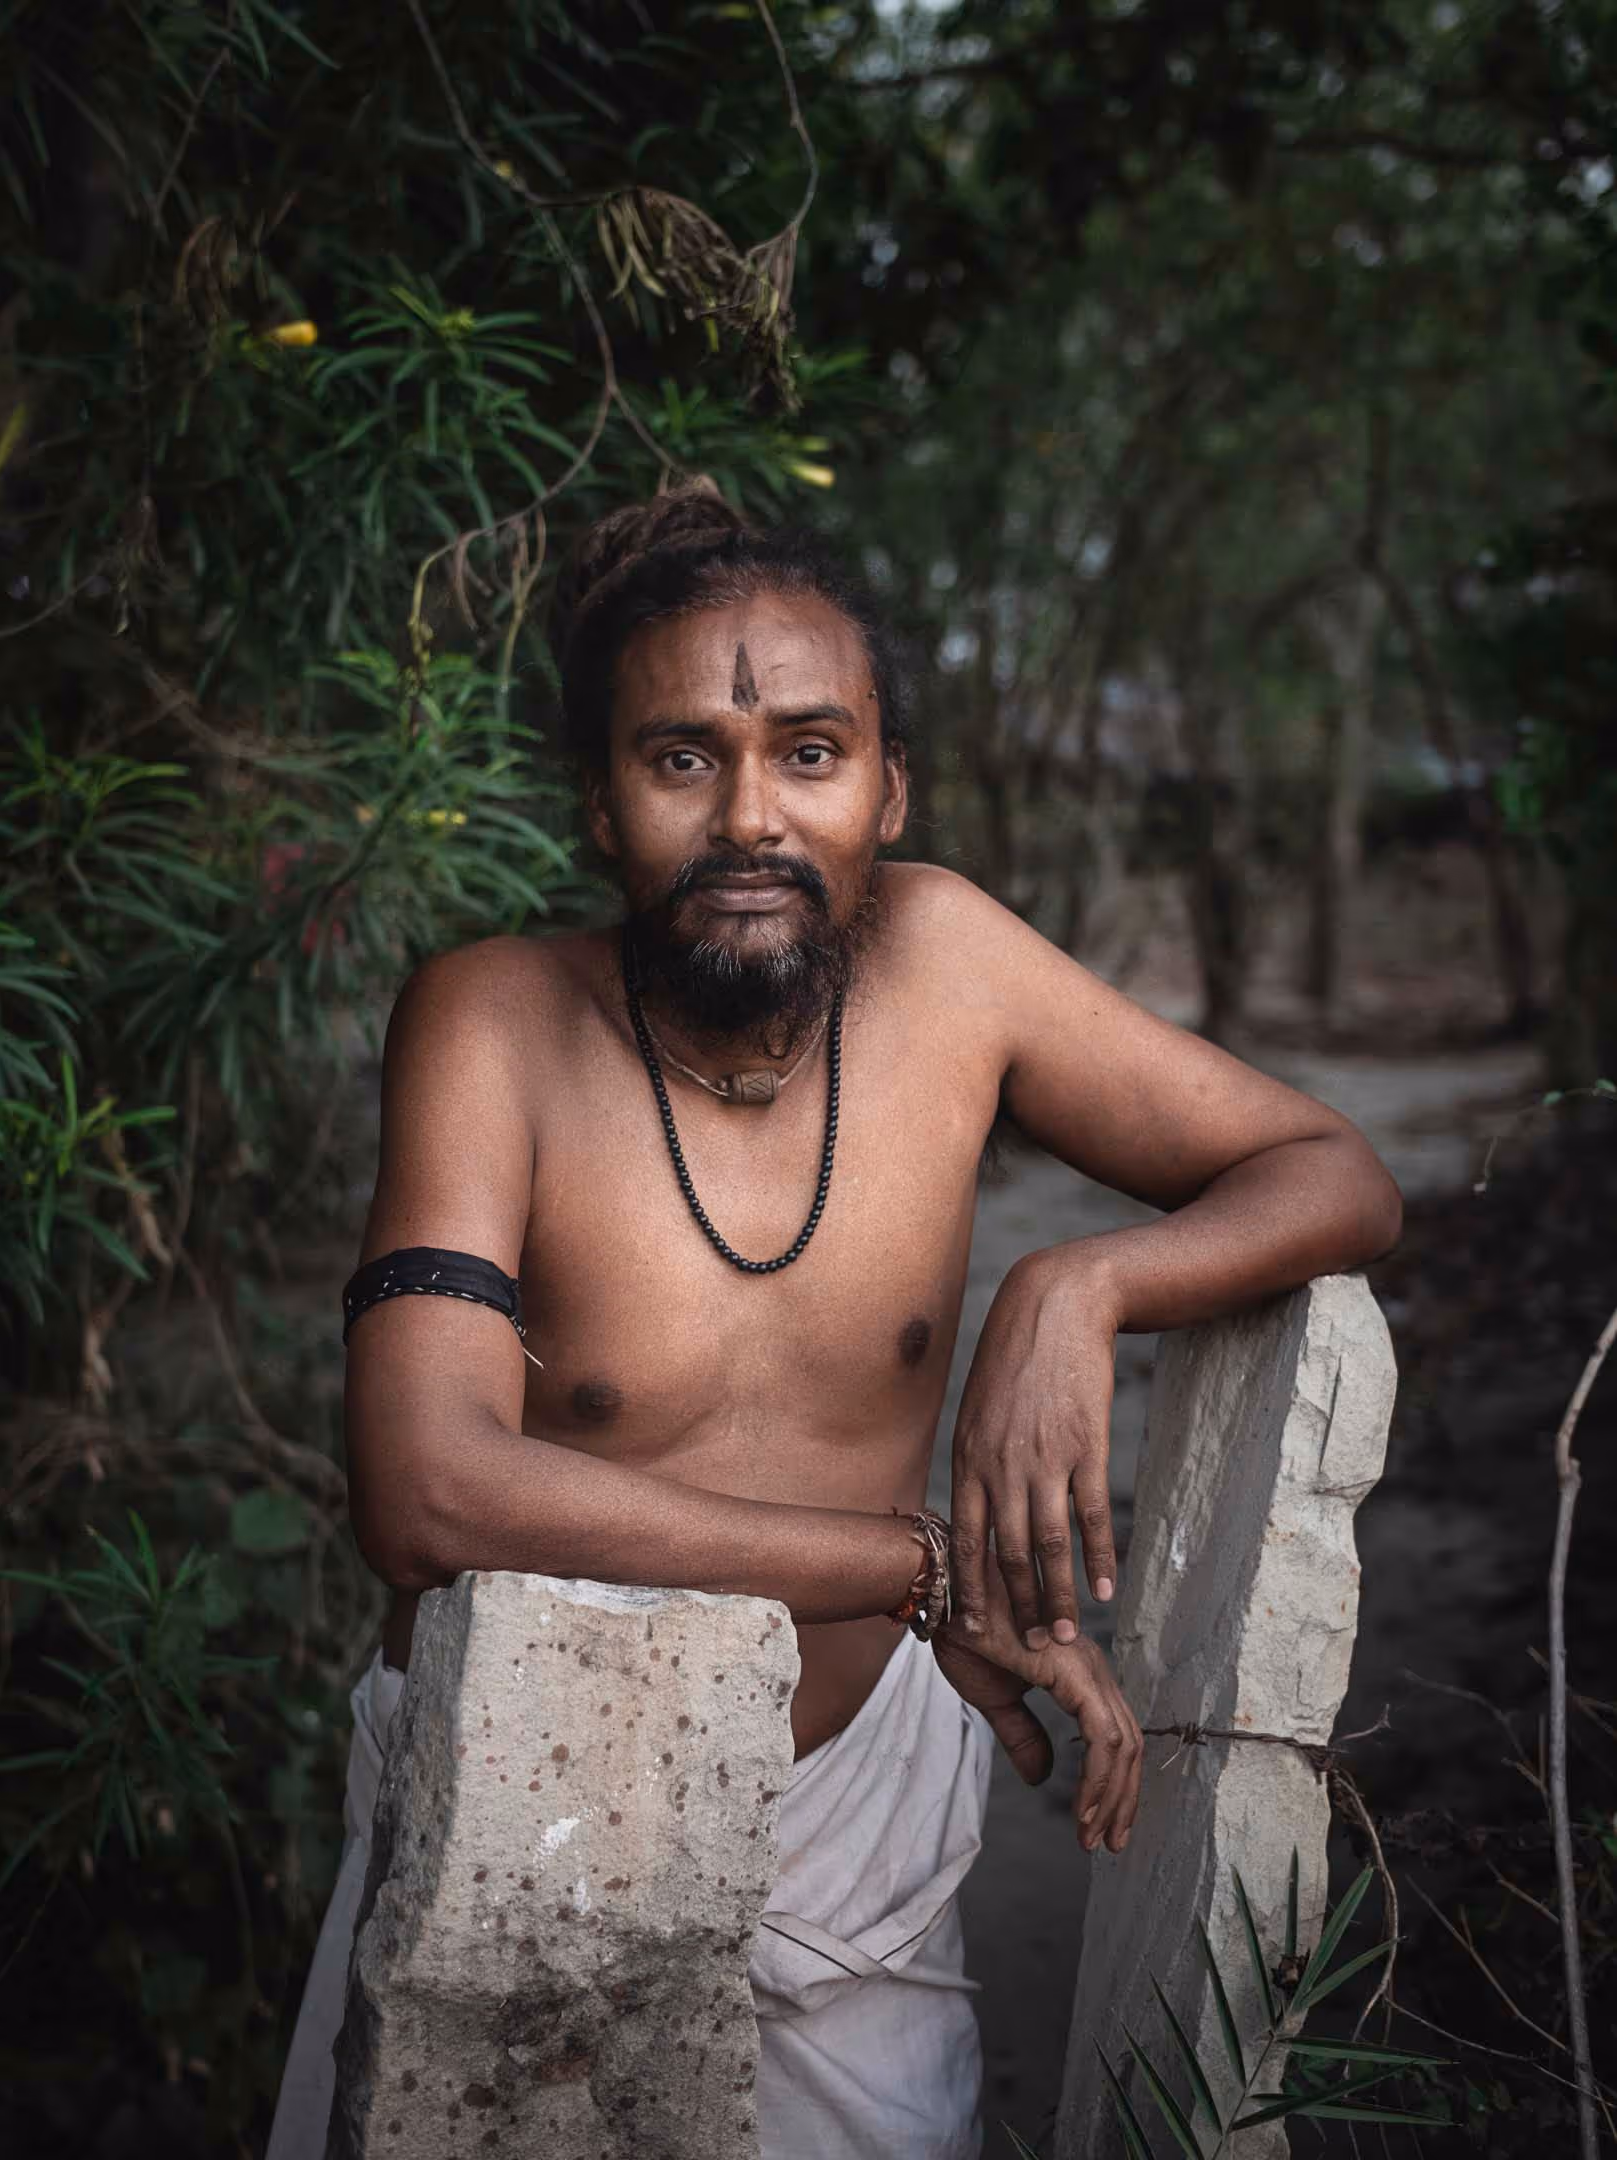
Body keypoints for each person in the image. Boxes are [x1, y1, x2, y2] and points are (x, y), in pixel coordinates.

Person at [267, 480, 1402, 2159]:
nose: (750, 817)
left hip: (855, 1844)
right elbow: (428, 1491)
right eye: (682, 758)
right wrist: (915, 1570)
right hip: (526, 1814)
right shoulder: (488, 1022)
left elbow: (1335, 1174)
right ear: (599, 804)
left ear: (889, 788)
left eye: (809, 752)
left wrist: (1075, 1285)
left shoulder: (951, 962)